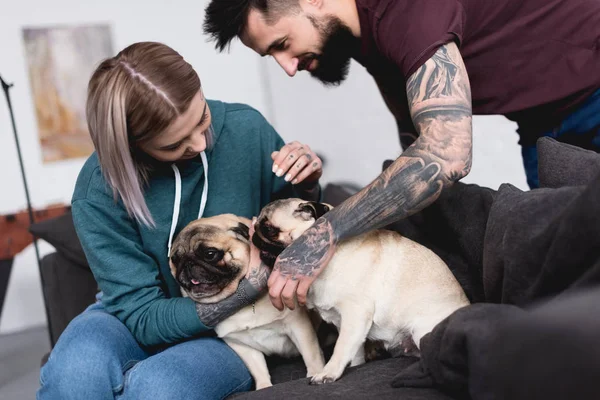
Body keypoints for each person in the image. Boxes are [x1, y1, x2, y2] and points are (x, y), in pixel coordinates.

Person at [203, 0, 600, 311]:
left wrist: (324, 233)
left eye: (282, 45)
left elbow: (445, 157)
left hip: (592, 88)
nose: (287, 68)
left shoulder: (406, 11)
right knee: (571, 272)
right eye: (270, 57)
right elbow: (413, 147)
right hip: (544, 123)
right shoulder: (364, 35)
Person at [36, 41, 323, 400]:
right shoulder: (98, 189)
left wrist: (307, 182)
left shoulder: (246, 129)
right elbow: (140, 315)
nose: (201, 144)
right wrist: (248, 286)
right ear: (132, 146)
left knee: (158, 387)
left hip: (232, 327)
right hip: (134, 316)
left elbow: (293, 230)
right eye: (174, 145)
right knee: (74, 374)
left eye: (202, 118)